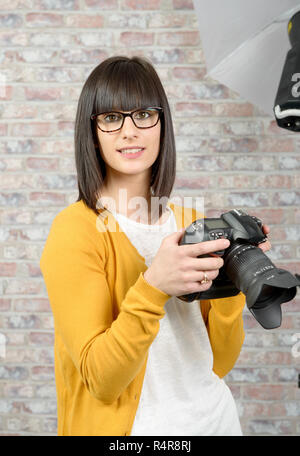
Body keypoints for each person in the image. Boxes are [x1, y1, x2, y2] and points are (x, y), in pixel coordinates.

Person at [39, 55, 271, 436]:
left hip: (216, 422)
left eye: (144, 114)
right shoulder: (74, 231)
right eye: (112, 118)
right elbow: (101, 379)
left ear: (162, 124)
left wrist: (234, 284)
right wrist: (154, 285)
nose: (130, 131)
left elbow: (216, 363)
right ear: (92, 131)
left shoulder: (187, 221)